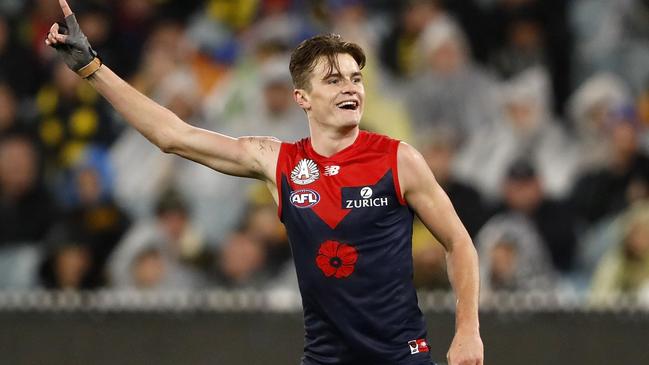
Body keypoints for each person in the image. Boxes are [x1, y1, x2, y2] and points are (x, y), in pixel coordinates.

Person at [45, 1, 483, 364]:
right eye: (333, 80)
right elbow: (172, 135)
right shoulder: (280, 162)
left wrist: (468, 330)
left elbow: (459, 243)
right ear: (302, 98)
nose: (350, 88)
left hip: (401, 357)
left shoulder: (399, 159)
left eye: (355, 78)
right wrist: (92, 69)